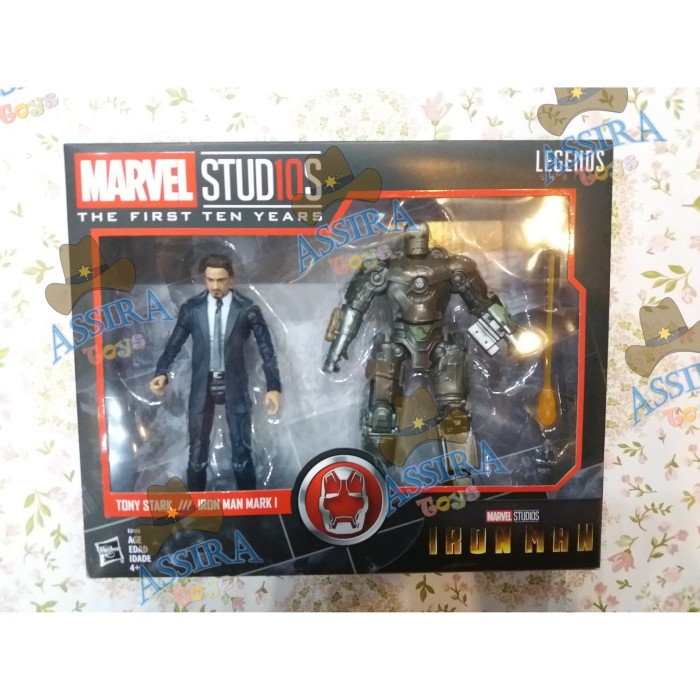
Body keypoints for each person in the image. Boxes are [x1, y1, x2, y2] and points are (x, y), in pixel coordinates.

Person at [150, 253, 281, 491]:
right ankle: (195, 502)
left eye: (221, 280)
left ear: (231, 278)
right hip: (203, 384)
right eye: (210, 280)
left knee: (242, 453)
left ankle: (249, 504)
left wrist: (273, 386)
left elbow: (266, 349)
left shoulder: (246, 308)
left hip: (235, 385)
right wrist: (161, 371)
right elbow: (174, 343)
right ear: (204, 279)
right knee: (196, 454)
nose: (215, 286)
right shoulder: (192, 309)